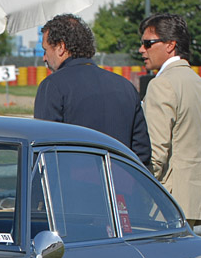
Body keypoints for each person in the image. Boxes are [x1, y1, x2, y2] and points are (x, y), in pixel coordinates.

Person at [34, 14, 150, 167]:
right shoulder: (125, 86)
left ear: (61, 47)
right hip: (121, 186)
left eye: (45, 50)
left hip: (72, 187)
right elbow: (142, 153)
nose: (44, 58)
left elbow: (44, 151)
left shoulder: (52, 86)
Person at [138, 13, 201, 226]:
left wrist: (138, 194)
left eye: (148, 43)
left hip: (165, 201)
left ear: (170, 45)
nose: (141, 50)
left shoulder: (161, 85)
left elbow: (156, 153)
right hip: (194, 198)